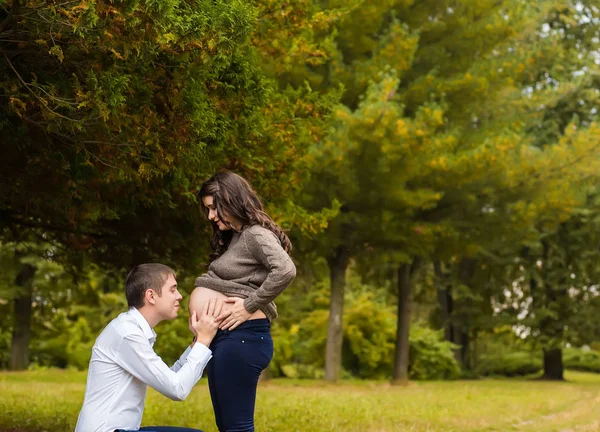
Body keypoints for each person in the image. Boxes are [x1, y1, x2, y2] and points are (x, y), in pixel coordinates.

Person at [189, 171, 297, 432]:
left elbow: (285, 270)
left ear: (232, 199)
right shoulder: (235, 236)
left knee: (236, 428)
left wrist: (248, 304)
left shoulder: (255, 234)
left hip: (243, 338)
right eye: (208, 209)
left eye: (214, 208)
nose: (211, 216)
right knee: (228, 426)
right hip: (229, 339)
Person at [75, 263, 226, 432]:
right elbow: (177, 389)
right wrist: (204, 340)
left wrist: (197, 341)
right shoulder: (127, 334)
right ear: (151, 296)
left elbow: (171, 377)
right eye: (173, 289)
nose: (180, 296)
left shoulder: (132, 330)